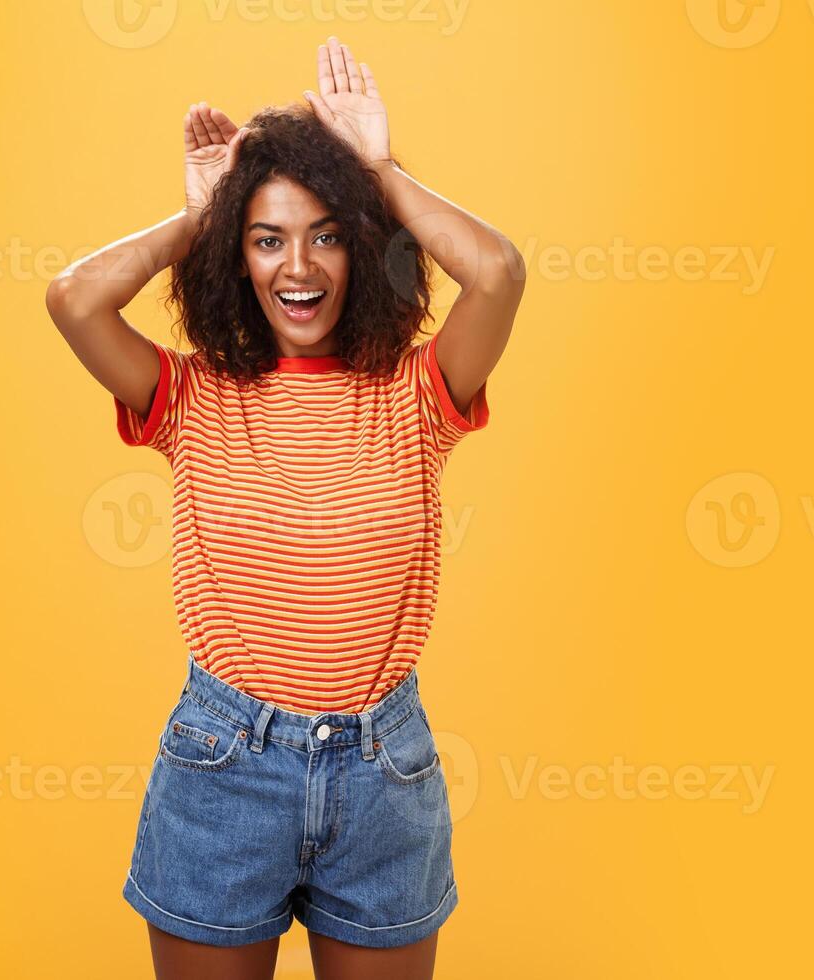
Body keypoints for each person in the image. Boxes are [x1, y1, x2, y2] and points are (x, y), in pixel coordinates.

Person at [43, 38, 524, 980]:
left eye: (325, 233)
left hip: (384, 771)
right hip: (224, 765)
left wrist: (378, 174)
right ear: (237, 255)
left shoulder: (415, 391)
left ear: (360, 240)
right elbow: (73, 300)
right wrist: (200, 216)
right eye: (265, 238)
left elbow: (498, 273)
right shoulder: (191, 394)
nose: (295, 264)